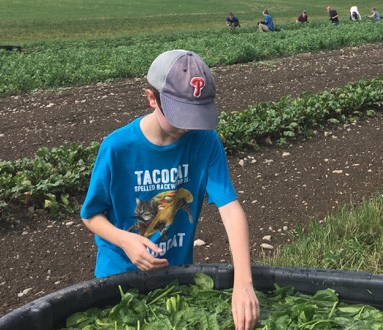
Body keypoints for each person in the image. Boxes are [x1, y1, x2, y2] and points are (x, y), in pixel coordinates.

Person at [80, 50, 260, 329]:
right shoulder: (117, 148)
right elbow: (91, 216)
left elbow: (230, 208)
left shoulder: (205, 141)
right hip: (119, 282)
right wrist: (126, 241)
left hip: (175, 275)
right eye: (181, 116)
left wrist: (244, 283)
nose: (189, 126)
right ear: (152, 98)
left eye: (196, 116)